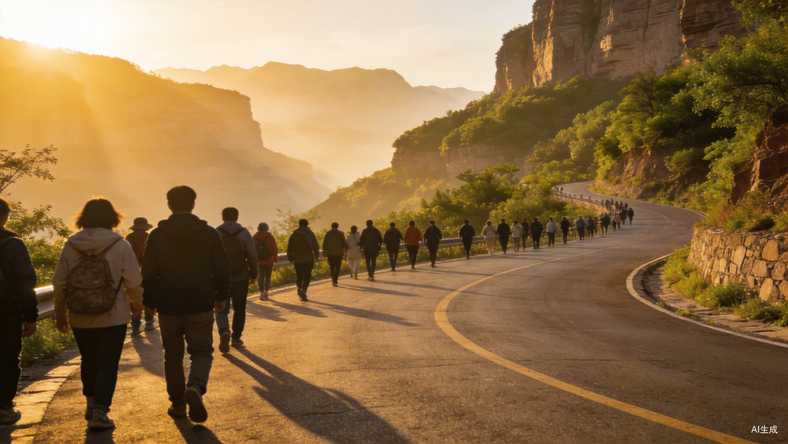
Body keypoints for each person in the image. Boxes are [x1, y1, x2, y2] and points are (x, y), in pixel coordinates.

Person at [53, 198, 143, 430]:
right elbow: (133, 280)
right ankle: (100, 413)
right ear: (113, 218)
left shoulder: (71, 244)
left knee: (89, 360)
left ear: (83, 218)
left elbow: (59, 281)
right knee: (107, 364)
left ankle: (91, 403)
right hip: (113, 315)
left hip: (80, 316)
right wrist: (138, 304)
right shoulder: (120, 244)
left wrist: (60, 314)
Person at [141, 186, 229, 423]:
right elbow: (221, 267)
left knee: (172, 356)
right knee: (201, 352)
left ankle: (178, 404)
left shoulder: (157, 235)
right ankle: (196, 387)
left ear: (169, 205)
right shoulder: (209, 233)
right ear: (193, 204)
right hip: (200, 302)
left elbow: (148, 272)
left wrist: (148, 301)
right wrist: (221, 296)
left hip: (168, 305)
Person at [0, 198, 37, 426]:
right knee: (6, 358)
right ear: (6, 216)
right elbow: (25, 282)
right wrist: (30, 316)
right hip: (6, 313)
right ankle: (3, 407)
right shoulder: (12, 243)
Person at [216, 208, 257, 353]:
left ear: (222, 217)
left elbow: (209, 256)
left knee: (221, 308)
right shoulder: (244, 233)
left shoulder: (216, 232)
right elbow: (252, 254)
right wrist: (253, 273)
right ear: (237, 217)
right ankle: (236, 337)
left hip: (221, 277)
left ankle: (224, 331)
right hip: (241, 276)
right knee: (240, 308)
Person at [126, 217, 155, 335]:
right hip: (146, 270)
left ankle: (135, 325)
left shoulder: (129, 238)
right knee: (147, 294)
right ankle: (149, 321)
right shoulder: (149, 237)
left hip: (132, 270)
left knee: (133, 296)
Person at [287, 219, 320, 300]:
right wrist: (316, 256)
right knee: (307, 276)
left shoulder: (294, 234)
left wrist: (290, 257)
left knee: (299, 276)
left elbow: (289, 247)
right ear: (307, 224)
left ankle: (299, 288)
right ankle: (303, 289)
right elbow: (315, 246)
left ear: (299, 224)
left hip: (297, 259)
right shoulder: (310, 234)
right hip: (308, 258)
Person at [253, 223, 278, 301]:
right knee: (268, 277)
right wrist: (275, 258)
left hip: (259, 261)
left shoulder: (254, 238)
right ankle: (266, 292)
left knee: (260, 277)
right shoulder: (270, 237)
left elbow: (251, 249)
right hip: (269, 260)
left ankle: (261, 293)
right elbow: (275, 249)